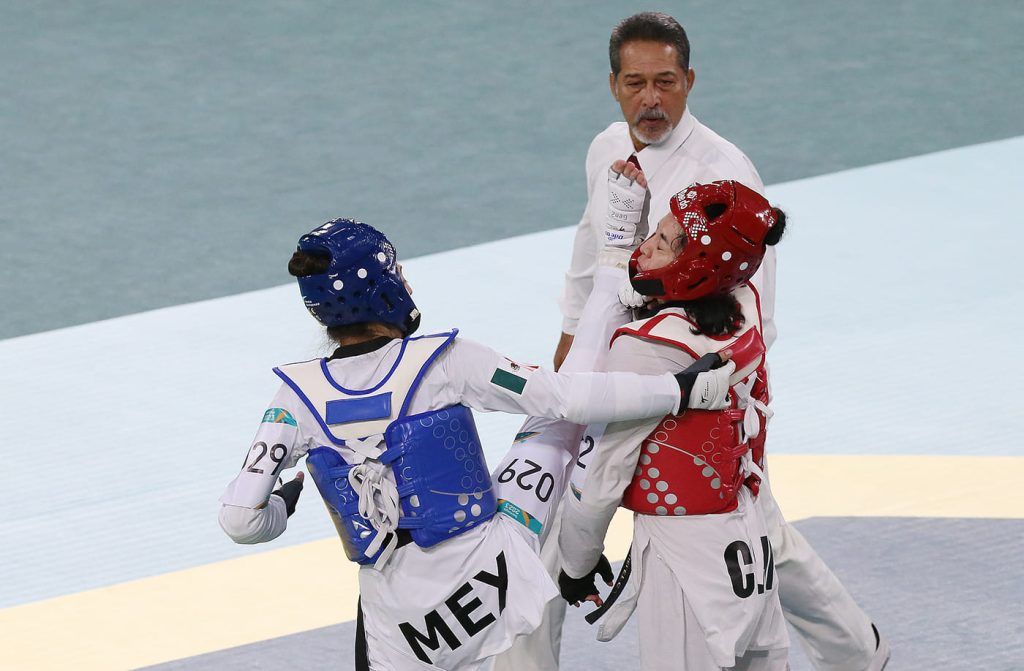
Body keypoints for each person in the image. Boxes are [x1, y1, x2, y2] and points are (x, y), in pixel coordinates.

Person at [499, 11, 889, 671]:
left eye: (666, 82)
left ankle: (856, 648)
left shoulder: (724, 177)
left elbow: (752, 312)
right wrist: (570, 350)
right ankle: (857, 650)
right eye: (636, 84)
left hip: (689, 385)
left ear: (690, 81)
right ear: (614, 85)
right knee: (561, 522)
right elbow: (590, 252)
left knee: (746, 525)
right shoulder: (605, 150)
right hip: (611, 365)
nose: (651, 99)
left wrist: (708, 405)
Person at [217, 218, 739, 670]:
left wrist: (280, 510)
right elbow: (568, 396)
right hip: (495, 575)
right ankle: (613, 269)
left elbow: (240, 521)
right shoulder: (446, 359)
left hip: (401, 631)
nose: (405, 280)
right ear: (380, 289)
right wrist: (679, 389)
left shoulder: (294, 397)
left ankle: (612, 273)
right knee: (552, 426)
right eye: (396, 271)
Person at [559, 174, 790, 670]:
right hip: (751, 544)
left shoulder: (648, 348)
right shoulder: (745, 306)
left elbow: (603, 473)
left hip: (683, 559)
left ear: (695, 269)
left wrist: (576, 561)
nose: (646, 247)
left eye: (663, 242)